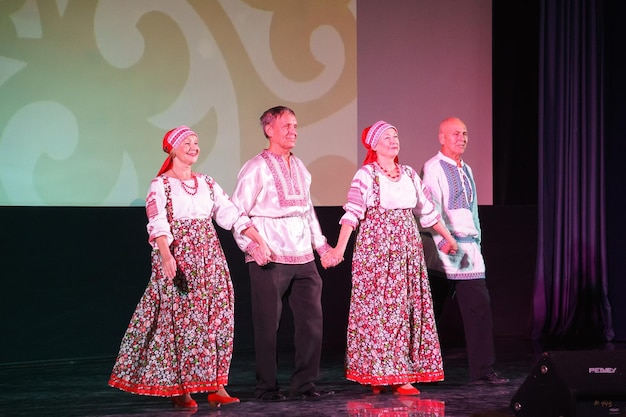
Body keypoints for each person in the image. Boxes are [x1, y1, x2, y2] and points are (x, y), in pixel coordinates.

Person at [108, 126, 272, 409]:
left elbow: (230, 213)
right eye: (187, 142)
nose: (194, 146)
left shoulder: (207, 183)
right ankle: (181, 388)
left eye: (197, 142)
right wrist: (166, 255)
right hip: (179, 256)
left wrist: (256, 238)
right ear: (172, 148)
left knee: (217, 316)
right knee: (183, 322)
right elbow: (157, 221)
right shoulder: (160, 185)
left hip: (210, 257)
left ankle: (216, 384)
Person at [324, 120, 458, 395]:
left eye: (395, 135)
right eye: (386, 137)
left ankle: (400, 374)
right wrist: (339, 249)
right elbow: (352, 214)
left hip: (406, 250)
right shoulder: (366, 174)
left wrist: (446, 236)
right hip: (376, 251)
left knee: (404, 308)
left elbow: (427, 211)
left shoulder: (408, 173)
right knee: (379, 312)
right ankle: (379, 373)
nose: (393, 140)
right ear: (374, 144)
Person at [230, 106, 337, 401]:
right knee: (268, 326)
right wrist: (251, 246)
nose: (293, 131)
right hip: (270, 254)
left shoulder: (301, 168)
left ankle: (304, 385)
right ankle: (266, 388)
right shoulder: (256, 168)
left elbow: (307, 211)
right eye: (286, 125)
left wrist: (321, 246)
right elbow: (236, 212)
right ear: (269, 129)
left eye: (295, 126)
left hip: (303, 255)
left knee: (312, 324)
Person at [420, 117, 508, 384]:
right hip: (443, 246)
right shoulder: (433, 167)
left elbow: (472, 211)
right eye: (455, 133)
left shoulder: (466, 169)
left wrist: (478, 242)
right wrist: (443, 239)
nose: (461, 138)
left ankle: (483, 370)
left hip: (468, 248)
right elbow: (429, 207)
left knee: (479, 307)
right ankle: (420, 369)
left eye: (465, 133)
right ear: (442, 137)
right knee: (430, 311)